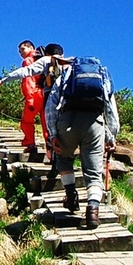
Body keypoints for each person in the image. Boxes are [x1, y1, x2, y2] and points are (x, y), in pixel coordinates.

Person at [44, 56, 120, 229]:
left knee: (64, 159)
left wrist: (53, 134)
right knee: (93, 173)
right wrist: (111, 136)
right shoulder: (103, 76)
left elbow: (51, 106)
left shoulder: (67, 73)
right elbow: (110, 110)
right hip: (94, 124)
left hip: (67, 121)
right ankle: (93, 212)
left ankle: (71, 197)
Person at [0, 42, 62, 156]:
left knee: (26, 121)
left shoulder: (29, 60)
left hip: (35, 95)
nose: (21, 53)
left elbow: (29, 80)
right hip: (48, 95)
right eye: (19, 51)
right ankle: (52, 152)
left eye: (23, 49)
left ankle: (30, 144)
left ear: (31, 48)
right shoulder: (46, 59)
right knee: (47, 124)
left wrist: (30, 99)